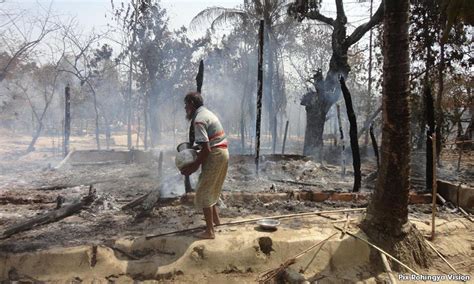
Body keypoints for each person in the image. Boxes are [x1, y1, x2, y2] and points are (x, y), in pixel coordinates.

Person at [180, 91, 229, 239]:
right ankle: (216, 221)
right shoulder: (206, 113)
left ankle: (209, 232)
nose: (185, 108)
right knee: (211, 189)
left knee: (203, 191)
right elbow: (208, 143)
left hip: (215, 155)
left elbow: (207, 149)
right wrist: (195, 150)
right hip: (222, 153)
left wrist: (193, 166)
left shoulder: (199, 120)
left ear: (192, 104)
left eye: (186, 105)